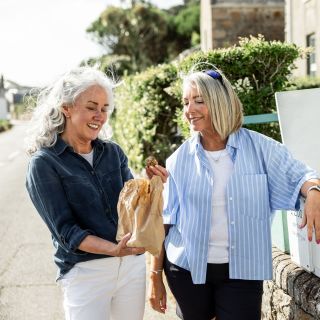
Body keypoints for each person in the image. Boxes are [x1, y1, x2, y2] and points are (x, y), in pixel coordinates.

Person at [148, 67, 320, 320]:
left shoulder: (261, 148)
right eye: (185, 102)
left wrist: (314, 192)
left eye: (198, 100)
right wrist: (155, 276)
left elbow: (302, 175)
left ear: (219, 102)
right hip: (186, 269)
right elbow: (166, 222)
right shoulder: (178, 160)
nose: (189, 110)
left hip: (242, 271)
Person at [25, 66, 167, 320]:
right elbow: (67, 231)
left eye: (104, 109)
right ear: (66, 107)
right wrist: (113, 249)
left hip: (131, 269)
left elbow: (131, 206)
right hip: (85, 273)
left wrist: (149, 184)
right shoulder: (44, 164)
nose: (99, 116)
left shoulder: (113, 153)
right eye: (91, 107)